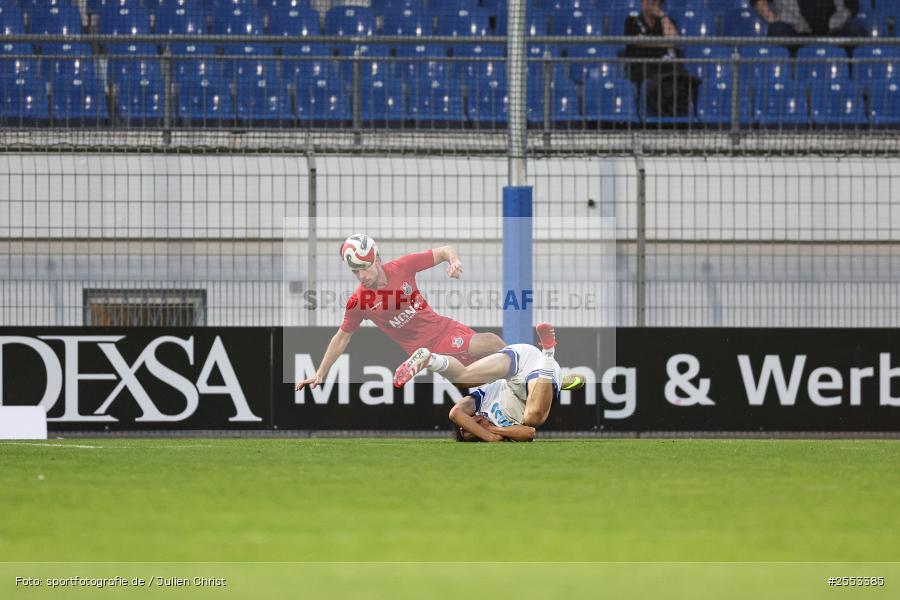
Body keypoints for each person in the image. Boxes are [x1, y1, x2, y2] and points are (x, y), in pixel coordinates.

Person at [295, 234, 506, 392]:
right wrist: (320, 373)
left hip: (447, 326)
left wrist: (454, 261)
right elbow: (342, 338)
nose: (361, 275)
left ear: (376, 260)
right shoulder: (358, 302)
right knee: (492, 343)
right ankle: (523, 378)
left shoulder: (403, 267)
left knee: (484, 371)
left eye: (364, 267)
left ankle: (508, 396)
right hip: (430, 346)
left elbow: (444, 251)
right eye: (355, 271)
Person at [396, 323, 562, 432]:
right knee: (532, 418)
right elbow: (528, 432)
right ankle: (548, 353)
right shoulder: (501, 428)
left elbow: (456, 413)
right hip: (536, 377)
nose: (472, 424)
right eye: (471, 430)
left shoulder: (481, 400)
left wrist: (488, 434)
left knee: (464, 377)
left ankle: (430, 359)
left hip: (520, 362)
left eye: (467, 426)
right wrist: (491, 432)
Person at [622, 0, 698, 118]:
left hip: (667, 68)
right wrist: (665, 43)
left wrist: (663, 17)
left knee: (684, 80)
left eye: (654, 3)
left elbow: (675, 41)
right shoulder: (632, 21)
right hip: (643, 69)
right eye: (646, 2)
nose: (649, 5)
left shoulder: (667, 21)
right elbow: (639, 42)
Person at [754, 0, 867, 39]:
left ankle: (857, 77)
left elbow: (852, 6)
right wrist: (770, 16)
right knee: (776, 29)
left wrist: (842, 18)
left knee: (856, 28)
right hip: (795, 31)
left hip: (835, 31)